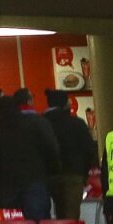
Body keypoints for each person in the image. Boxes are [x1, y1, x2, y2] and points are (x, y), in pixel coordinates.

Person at [0, 96, 60, 220]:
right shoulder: (33, 124)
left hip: (9, 186)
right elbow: (49, 150)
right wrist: (52, 173)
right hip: (35, 180)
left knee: (15, 221)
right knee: (39, 219)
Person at [43, 89, 97, 218]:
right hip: (73, 175)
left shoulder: (42, 123)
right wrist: (84, 173)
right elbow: (89, 149)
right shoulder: (76, 124)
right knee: (71, 216)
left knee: (52, 214)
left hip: (48, 176)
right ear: (64, 104)